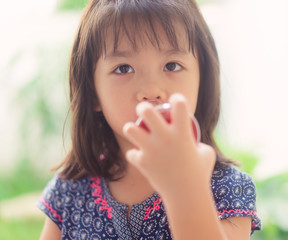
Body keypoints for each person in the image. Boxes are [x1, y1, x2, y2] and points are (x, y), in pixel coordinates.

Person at [37, 0, 261, 239]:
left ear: (202, 80)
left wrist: (184, 188)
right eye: (124, 69)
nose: (152, 90)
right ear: (93, 93)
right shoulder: (70, 190)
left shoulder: (227, 189)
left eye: (172, 65)